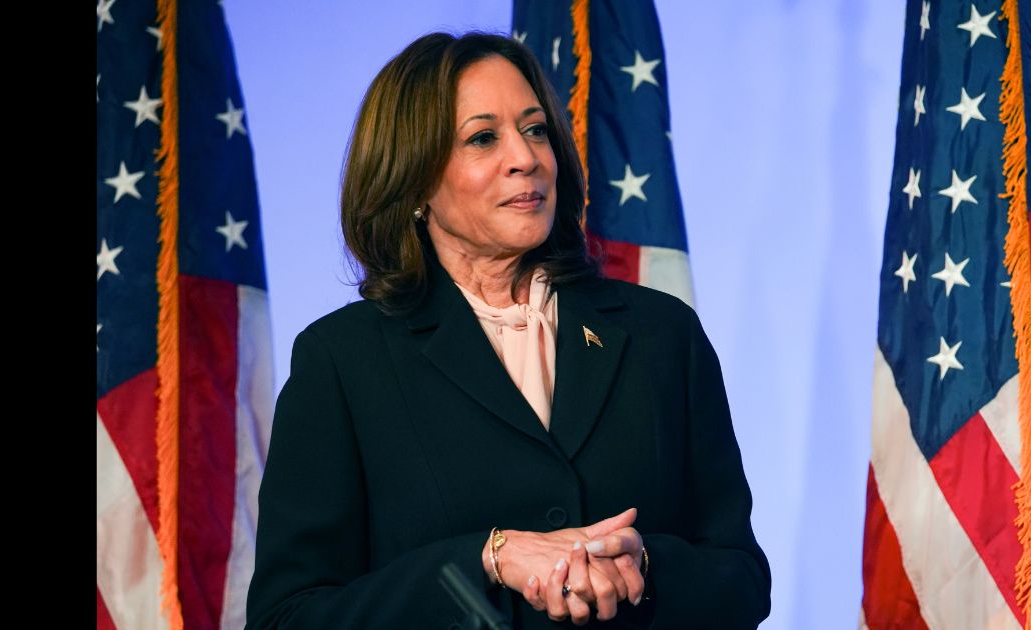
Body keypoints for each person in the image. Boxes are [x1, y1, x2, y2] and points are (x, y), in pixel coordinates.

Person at [246, 31, 771, 629]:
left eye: (536, 128)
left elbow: (742, 579)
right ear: (415, 182)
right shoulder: (343, 361)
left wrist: (647, 566)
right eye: (483, 138)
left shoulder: (661, 334)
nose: (526, 157)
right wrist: (488, 560)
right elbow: (287, 618)